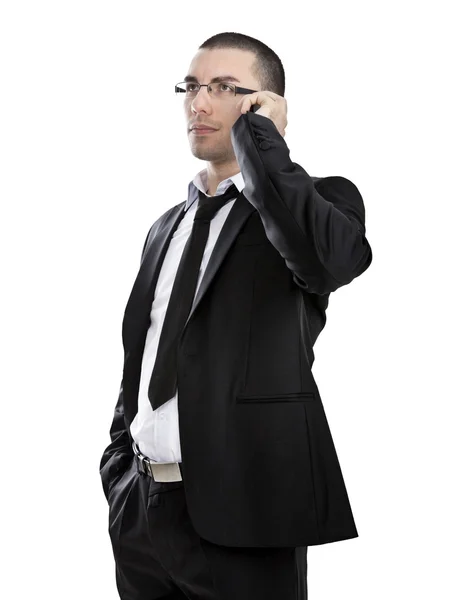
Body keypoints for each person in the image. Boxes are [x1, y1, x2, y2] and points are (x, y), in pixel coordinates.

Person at [99, 31, 373, 600]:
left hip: (246, 512)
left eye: (225, 88)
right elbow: (145, 351)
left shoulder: (315, 203)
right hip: (141, 513)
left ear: (262, 104)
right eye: (192, 87)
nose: (199, 103)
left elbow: (331, 261)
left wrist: (264, 140)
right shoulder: (165, 225)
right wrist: (119, 466)